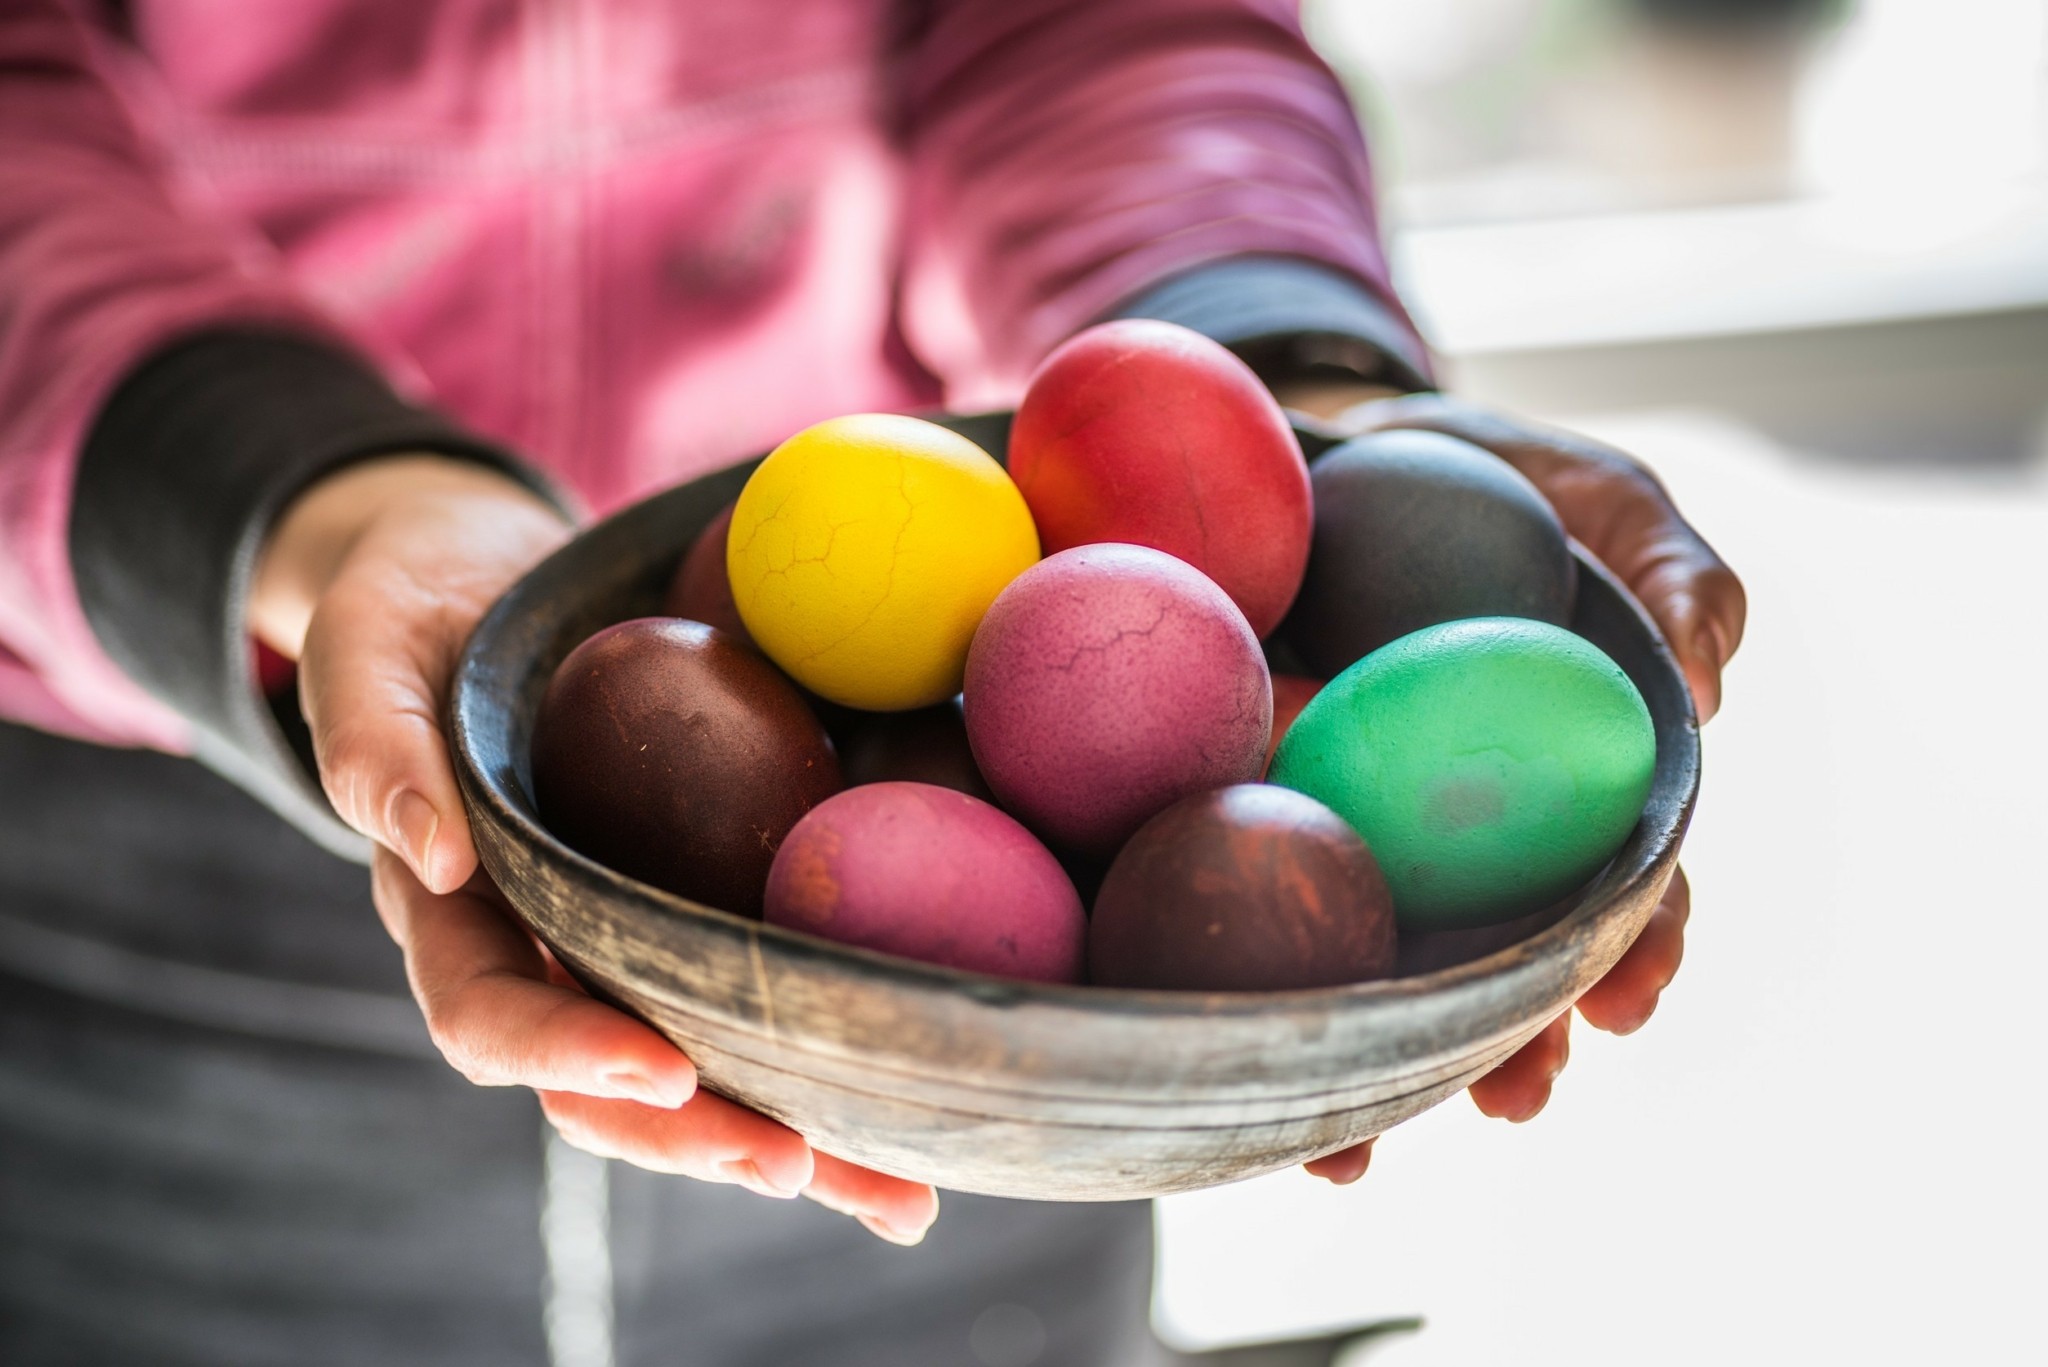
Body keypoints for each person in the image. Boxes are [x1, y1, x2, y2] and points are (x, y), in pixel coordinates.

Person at [0, 1, 1747, 1363]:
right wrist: (286, 482)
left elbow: (1099, 31)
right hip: (145, 879)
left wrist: (1275, 385)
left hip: (962, 964)